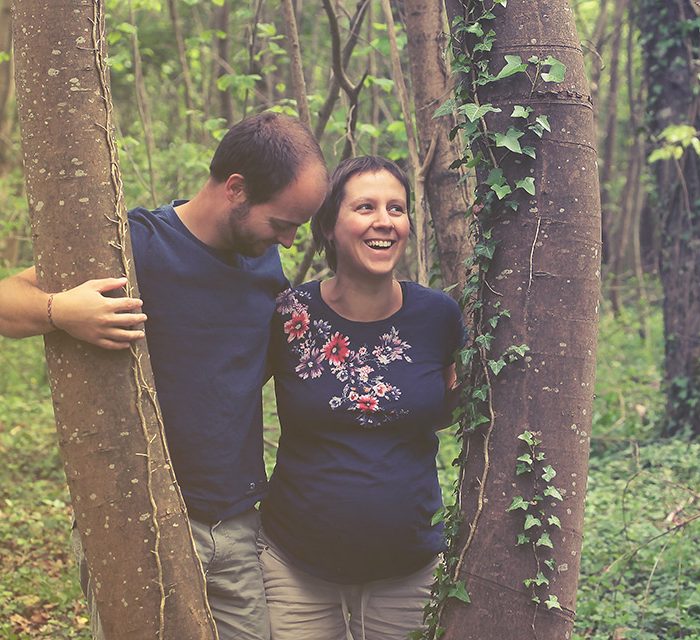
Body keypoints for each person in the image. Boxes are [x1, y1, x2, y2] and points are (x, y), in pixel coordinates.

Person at [0, 111, 328, 640]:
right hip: (141, 520)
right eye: (281, 222)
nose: (289, 242)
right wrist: (60, 311)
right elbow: (5, 298)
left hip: (238, 524)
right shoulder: (136, 244)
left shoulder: (264, 268)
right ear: (236, 188)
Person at [258, 156, 465, 640]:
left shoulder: (438, 317)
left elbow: (455, 407)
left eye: (396, 208)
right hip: (296, 567)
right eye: (365, 207)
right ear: (329, 225)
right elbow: (229, 397)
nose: (384, 222)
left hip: (410, 570)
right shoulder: (290, 315)